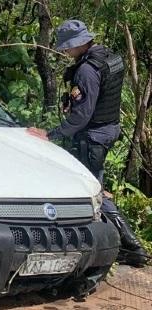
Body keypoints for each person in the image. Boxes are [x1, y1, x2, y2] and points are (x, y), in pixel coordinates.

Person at [27, 20, 149, 267]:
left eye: (67, 47)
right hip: (110, 129)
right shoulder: (109, 58)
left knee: (94, 191)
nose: (65, 52)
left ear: (80, 44)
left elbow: (82, 116)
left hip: (93, 136)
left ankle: (132, 247)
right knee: (97, 186)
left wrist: (51, 135)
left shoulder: (86, 70)